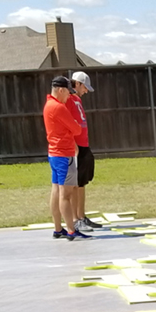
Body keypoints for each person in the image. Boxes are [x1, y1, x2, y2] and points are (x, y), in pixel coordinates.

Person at [42, 76, 86, 239]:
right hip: (64, 154)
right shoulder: (59, 107)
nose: (69, 96)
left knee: (56, 191)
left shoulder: (48, 105)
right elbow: (76, 129)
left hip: (54, 153)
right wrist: (72, 124)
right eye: (68, 92)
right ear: (61, 90)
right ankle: (71, 230)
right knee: (65, 194)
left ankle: (58, 228)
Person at [68, 71, 100, 233]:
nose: (86, 91)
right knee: (74, 184)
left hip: (84, 145)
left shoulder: (77, 100)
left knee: (82, 182)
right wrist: (74, 145)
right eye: (84, 87)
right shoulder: (67, 99)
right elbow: (66, 124)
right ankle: (75, 219)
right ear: (77, 84)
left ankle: (81, 215)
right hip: (76, 147)